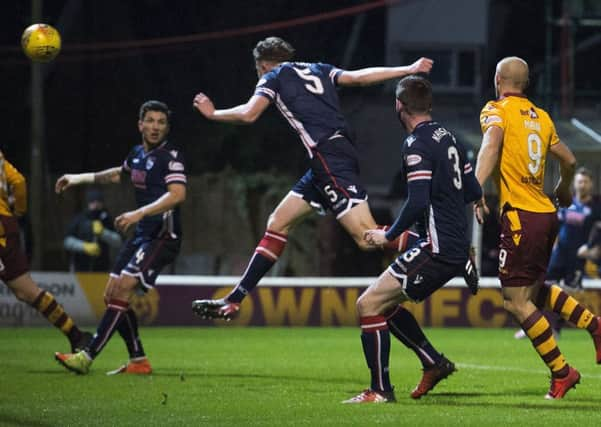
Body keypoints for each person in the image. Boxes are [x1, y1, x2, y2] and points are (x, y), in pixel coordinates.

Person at [191, 36, 436, 320]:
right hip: (327, 159)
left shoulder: (273, 76)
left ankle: (438, 245)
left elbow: (248, 114)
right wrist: (407, 68)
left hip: (328, 158)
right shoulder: (317, 68)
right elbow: (358, 77)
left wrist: (213, 114)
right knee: (278, 223)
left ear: (262, 64)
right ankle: (234, 300)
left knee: (366, 237)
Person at [342, 76, 482, 403]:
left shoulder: (415, 143)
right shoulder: (450, 136)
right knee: (384, 305)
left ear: (399, 106)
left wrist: (387, 235)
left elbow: (418, 201)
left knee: (368, 305)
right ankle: (433, 362)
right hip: (446, 244)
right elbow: (473, 190)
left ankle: (379, 391)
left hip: (437, 249)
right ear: (429, 104)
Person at [475, 56, 601, 399]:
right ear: (525, 83)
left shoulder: (495, 110)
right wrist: (562, 188)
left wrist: (475, 187)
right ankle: (595, 325)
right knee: (534, 289)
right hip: (546, 213)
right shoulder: (541, 117)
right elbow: (571, 159)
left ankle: (562, 372)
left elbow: (491, 144)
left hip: (521, 216)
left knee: (516, 302)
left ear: (498, 79)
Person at [53, 100, 187, 375]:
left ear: (167, 128)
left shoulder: (170, 156)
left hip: (163, 235)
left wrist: (139, 213)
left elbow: (177, 194)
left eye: (161, 122)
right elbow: (118, 175)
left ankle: (86, 356)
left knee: (123, 287)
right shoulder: (137, 154)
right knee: (111, 294)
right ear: (140, 125)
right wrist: (77, 178)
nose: (155, 127)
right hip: (142, 235)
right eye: (150, 120)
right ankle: (138, 360)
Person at [0, 150, 91, 352]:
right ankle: (76, 336)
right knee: (26, 291)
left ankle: (77, 336)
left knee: (26, 290)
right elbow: (19, 182)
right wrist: (18, 212)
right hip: (5, 224)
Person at [514, 167, 601, 339]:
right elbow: (553, 225)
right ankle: (530, 326)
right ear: (574, 184)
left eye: (585, 182)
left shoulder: (595, 208)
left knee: (567, 294)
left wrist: (590, 248)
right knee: (541, 289)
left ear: (591, 184)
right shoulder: (566, 202)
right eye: (579, 181)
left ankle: (556, 329)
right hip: (559, 254)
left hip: (577, 258)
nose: (582, 185)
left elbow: (598, 230)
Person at [64, 188, 122, 272]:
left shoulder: (107, 219)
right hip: (80, 267)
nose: (96, 204)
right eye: (93, 201)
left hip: (102, 267)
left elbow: (118, 241)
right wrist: (84, 246)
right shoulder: (80, 219)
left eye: (98, 202)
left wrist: (103, 233)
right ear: (88, 203)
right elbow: (67, 241)